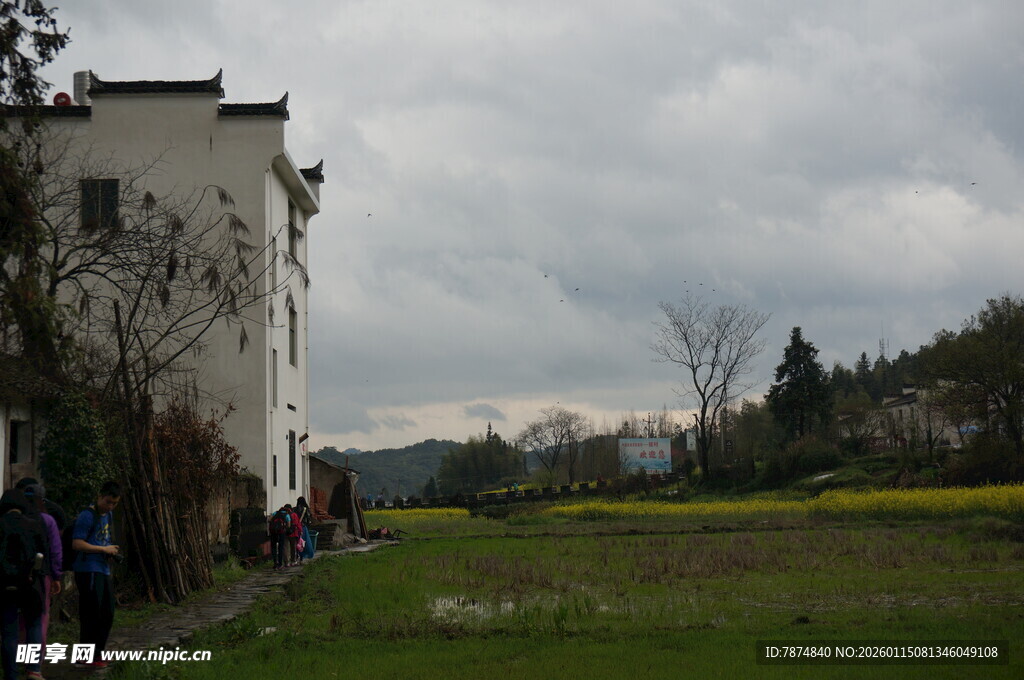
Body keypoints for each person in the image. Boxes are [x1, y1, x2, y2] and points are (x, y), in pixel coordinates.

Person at [71, 481, 122, 668]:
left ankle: (98, 653)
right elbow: (77, 543)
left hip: (103, 568)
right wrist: (102, 549)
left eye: (115, 503)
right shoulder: (87, 515)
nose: (110, 506)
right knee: (91, 613)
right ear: (100, 496)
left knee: (107, 612)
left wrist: (109, 551)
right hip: (88, 569)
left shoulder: (107, 515)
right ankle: (85, 655)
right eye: (108, 502)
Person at [0, 489, 47, 680]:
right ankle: (33, 669)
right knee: (33, 625)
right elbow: (43, 555)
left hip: (4, 585)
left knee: (9, 632)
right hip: (30, 584)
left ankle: (11, 675)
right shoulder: (35, 525)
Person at [20, 484, 61, 664]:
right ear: (42, 501)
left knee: (20, 618)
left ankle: (18, 658)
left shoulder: (14, 518)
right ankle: (35, 664)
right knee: (40, 618)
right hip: (40, 576)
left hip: (16, 575)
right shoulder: (47, 520)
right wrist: (56, 576)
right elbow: (55, 551)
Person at [294, 498, 312, 565]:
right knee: (303, 543)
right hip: (303, 527)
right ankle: (302, 558)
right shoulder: (305, 509)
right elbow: (309, 519)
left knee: (297, 543)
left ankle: (295, 558)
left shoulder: (294, 509)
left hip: (296, 528)